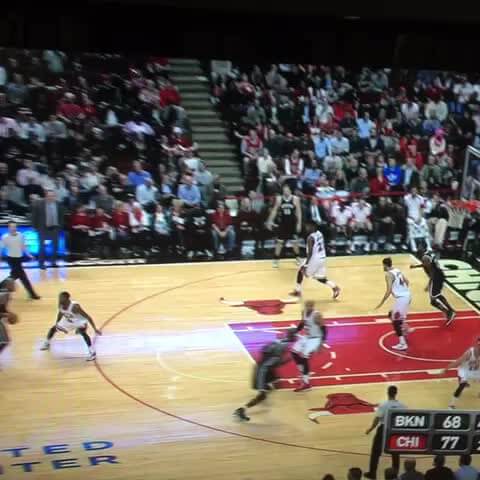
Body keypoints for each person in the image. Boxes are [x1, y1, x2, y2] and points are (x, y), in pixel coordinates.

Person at [233, 328, 296, 421]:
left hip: (262, 367)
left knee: (276, 383)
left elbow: (263, 351)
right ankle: (242, 409)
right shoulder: (282, 349)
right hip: (263, 371)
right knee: (263, 394)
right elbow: (273, 363)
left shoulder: (276, 341)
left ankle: (263, 393)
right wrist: (287, 360)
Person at [40, 291, 102, 361]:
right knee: (53, 329)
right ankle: (47, 343)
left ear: (67, 298)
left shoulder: (75, 307)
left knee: (83, 333)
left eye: (61, 298)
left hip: (79, 321)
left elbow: (88, 317)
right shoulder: (60, 304)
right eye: (59, 297)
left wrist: (95, 329)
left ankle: (92, 352)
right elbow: (60, 313)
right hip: (69, 320)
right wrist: (57, 323)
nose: (60, 299)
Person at [364, 385, 406, 480]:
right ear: (396, 393)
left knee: (375, 452)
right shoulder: (402, 406)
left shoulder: (383, 405)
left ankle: (372, 473)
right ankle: (395, 475)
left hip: (383, 429)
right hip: (395, 429)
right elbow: (405, 419)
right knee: (395, 453)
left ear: (388, 393)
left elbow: (377, 419)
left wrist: (370, 429)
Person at [290, 225, 340, 299]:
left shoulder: (310, 238)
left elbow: (310, 253)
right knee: (320, 277)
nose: (306, 228)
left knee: (301, 271)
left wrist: (306, 265)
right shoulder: (319, 233)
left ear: (313, 227)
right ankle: (334, 287)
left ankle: (297, 291)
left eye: (308, 226)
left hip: (315, 259)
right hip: (322, 257)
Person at [375, 258, 412, 351]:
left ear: (385, 265)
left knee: (395, 321)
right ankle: (406, 329)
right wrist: (403, 290)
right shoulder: (397, 270)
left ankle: (403, 344)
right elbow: (407, 282)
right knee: (391, 314)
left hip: (402, 298)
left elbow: (388, 290)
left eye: (383, 265)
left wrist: (381, 302)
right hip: (407, 296)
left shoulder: (388, 274)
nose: (382, 267)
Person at [410, 252, 456, 324]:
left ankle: (450, 311)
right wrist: (415, 266)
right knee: (433, 301)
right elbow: (424, 265)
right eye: (423, 260)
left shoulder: (431, 266)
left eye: (425, 261)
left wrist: (428, 286)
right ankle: (447, 312)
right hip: (438, 277)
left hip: (437, 278)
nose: (424, 262)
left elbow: (432, 276)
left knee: (434, 295)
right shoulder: (428, 262)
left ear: (429, 260)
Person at [291, 300, 325, 392]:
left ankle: (306, 384)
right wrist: (296, 331)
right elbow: (302, 323)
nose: (308, 308)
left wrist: (321, 343)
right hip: (307, 337)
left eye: (310, 306)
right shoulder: (304, 312)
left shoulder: (317, 315)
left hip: (315, 338)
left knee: (303, 357)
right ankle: (303, 375)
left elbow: (324, 328)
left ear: (313, 306)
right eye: (307, 306)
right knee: (293, 352)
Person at [0, 221, 40, 299]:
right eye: (12, 227)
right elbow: (1, 248)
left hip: (19, 258)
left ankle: (1, 286)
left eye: (15, 226)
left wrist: (29, 255)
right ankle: (32, 294)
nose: (14, 228)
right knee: (23, 276)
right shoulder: (5, 237)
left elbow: (23, 247)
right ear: (8, 228)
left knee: (14, 276)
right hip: (11, 259)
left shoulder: (20, 235)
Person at [266, 184, 302, 268]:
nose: (285, 192)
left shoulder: (295, 199)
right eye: (284, 190)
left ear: (290, 190)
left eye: (287, 190)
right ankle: (276, 260)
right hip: (283, 223)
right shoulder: (279, 199)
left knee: (295, 242)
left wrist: (299, 223)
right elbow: (274, 210)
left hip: (292, 223)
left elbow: (298, 212)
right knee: (279, 242)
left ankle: (298, 258)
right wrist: (270, 221)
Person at [439, 337, 480, 409]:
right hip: (464, 370)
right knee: (462, 385)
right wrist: (445, 370)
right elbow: (457, 362)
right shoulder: (469, 353)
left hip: (475, 370)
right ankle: (451, 404)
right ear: (478, 344)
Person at [31, 190, 65, 269]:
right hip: (43, 228)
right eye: (49, 196)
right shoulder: (39, 204)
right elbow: (34, 216)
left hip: (55, 228)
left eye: (52, 196)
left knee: (55, 246)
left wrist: (60, 227)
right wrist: (34, 227)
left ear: (55, 196)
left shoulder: (59, 204)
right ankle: (41, 263)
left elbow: (61, 217)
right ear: (46, 196)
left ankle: (53, 262)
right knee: (42, 247)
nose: (51, 198)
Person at [0, 278, 18, 358]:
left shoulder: (6, 294)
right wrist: (7, 315)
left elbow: (2, 309)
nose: (15, 285)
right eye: (13, 283)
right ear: (7, 285)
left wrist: (9, 313)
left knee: (4, 341)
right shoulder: (3, 294)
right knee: (4, 341)